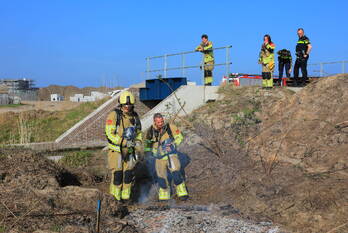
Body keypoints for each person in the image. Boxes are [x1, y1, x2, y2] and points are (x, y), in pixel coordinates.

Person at [105, 91, 142, 202]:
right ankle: (115, 200)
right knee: (117, 175)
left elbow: (139, 132)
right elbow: (109, 133)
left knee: (128, 174)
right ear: (121, 105)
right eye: (125, 105)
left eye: (129, 105)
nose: (127, 107)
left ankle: (126, 198)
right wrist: (123, 142)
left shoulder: (135, 117)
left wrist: (138, 144)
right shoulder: (114, 115)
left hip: (130, 150)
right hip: (116, 151)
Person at [144, 113, 189, 201]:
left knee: (176, 174)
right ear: (154, 122)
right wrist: (149, 154)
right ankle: (164, 198)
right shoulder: (150, 131)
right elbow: (148, 145)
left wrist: (173, 145)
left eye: (162, 121)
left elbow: (179, 137)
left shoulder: (170, 127)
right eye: (158, 122)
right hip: (159, 158)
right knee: (161, 179)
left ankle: (182, 194)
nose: (161, 124)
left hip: (171, 155)